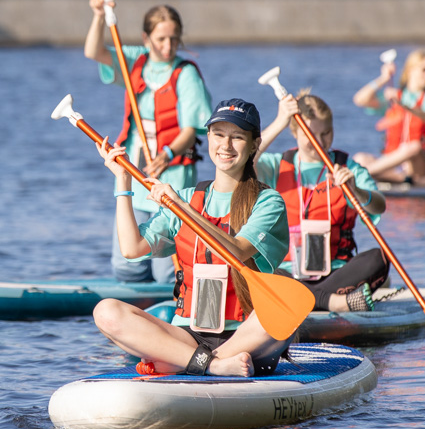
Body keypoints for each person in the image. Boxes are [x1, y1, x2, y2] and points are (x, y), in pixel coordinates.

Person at [92, 99, 291, 378]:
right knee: (106, 311)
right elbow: (132, 248)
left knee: (285, 305)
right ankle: (212, 366)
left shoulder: (268, 201)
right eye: (219, 135)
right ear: (208, 137)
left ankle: (187, 362)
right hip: (188, 335)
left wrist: (183, 208)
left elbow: (236, 250)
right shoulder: (186, 196)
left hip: (246, 334)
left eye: (237, 137)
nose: (226, 145)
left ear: (255, 144)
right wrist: (122, 184)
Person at [83, 0, 213, 283]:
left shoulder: (186, 74)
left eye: (174, 40)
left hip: (173, 179)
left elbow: (192, 129)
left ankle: (171, 298)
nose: (167, 47)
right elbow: (93, 52)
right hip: (137, 178)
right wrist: (98, 16)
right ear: (146, 38)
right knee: (127, 268)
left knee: (166, 273)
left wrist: (166, 154)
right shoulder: (133, 60)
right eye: (161, 39)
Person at [257, 90, 390, 313]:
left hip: (336, 273)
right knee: (255, 268)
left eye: (326, 133)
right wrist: (280, 121)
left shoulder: (348, 168)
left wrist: (355, 190)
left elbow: (379, 205)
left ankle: (304, 301)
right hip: (288, 273)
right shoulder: (274, 166)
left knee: (379, 259)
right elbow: (242, 163)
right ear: (295, 132)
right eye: (311, 134)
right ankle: (330, 303)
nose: (320, 142)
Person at [352, 50, 425, 188]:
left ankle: (360, 174)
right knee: (360, 158)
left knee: (413, 147)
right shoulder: (396, 95)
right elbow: (360, 100)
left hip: (419, 165)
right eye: (424, 69)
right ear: (411, 70)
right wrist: (383, 79)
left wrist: (402, 104)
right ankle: (414, 182)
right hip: (394, 166)